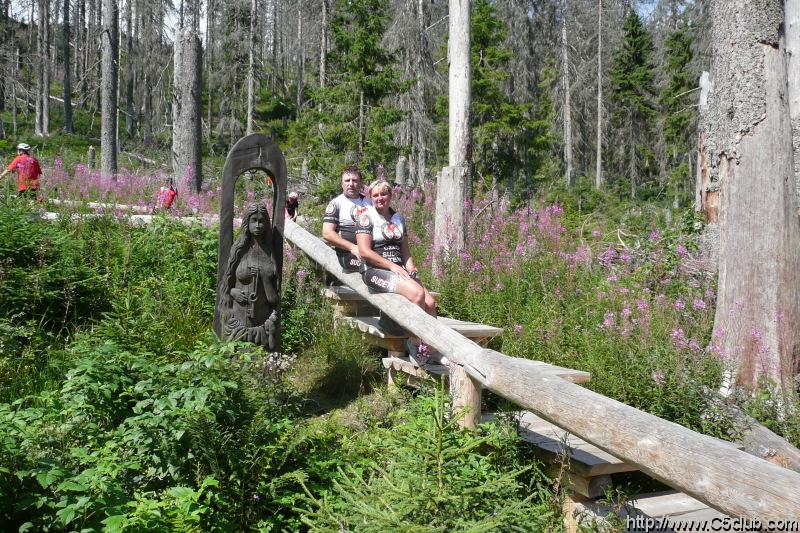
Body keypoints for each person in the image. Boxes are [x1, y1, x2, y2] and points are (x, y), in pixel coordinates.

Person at [356, 180, 438, 365]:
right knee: (416, 295)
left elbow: (405, 252)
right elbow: (364, 252)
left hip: (399, 269)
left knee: (431, 303)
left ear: (390, 196)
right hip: (374, 270)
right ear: (370, 197)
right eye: (375, 195)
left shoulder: (398, 218)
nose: (379, 198)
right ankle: (414, 342)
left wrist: (412, 270)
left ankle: (431, 347)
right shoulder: (365, 217)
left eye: (383, 194)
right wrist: (392, 266)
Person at [219, 202, 280, 350]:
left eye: (262, 221)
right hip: (238, 320)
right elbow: (226, 283)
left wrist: (264, 277)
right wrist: (234, 293)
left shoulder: (270, 253)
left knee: (262, 357)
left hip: (262, 322)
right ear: (247, 222)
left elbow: (274, 299)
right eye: (254, 220)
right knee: (235, 356)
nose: (258, 225)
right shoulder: (239, 249)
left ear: (266, 224)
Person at [322, 166, 371, 272]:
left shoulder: (369, 203)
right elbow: (327, 233)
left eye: (354, 180)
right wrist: (353, 247)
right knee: (376, 266)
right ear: (342, 184)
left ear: (360, 183)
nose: (351, 184)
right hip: (348, 254)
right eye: (347, 180)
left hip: (370, 251)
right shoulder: (336, 203)